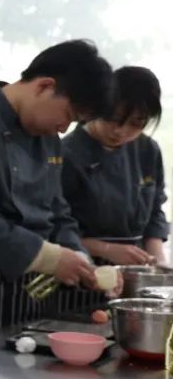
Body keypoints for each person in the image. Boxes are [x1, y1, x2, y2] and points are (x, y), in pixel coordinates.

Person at [0, 40, 116, 339]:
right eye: (68, 115)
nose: (63, 129)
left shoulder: (48, 139)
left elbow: (59, 212)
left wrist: (82, 260)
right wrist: (52, 259)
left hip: (36, 294)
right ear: (44, 86)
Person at [62, 66, 168, 266]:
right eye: (113, 119)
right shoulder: (67, 155)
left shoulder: (148, 150)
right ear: (98, 108)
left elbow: (154, 210)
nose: (121, 131)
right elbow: (52, 227)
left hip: (136, 267)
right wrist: (106, 250)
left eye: (136, 124)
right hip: (80, 265)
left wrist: (159, 262)